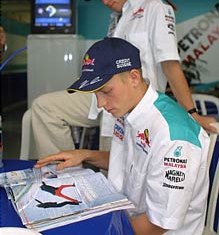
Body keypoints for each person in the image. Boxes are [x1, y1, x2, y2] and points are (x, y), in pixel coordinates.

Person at [28, 0, 216, 159]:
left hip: (135, 106)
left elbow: (170, 64)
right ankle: (64, 176)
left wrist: (192, 114)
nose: (105, 0)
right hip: (103, 96)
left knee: (115, 178)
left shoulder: (155, 8)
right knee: (44, 107)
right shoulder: (116, 19)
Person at [35, 37, 210, 235]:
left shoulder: (173, 137)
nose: (100, 104)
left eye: (106, 91)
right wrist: (84, 155)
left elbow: (158, 223)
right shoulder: (129, 110)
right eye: (95, 94)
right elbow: (132, 163)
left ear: (134, 77)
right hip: (123, 214)